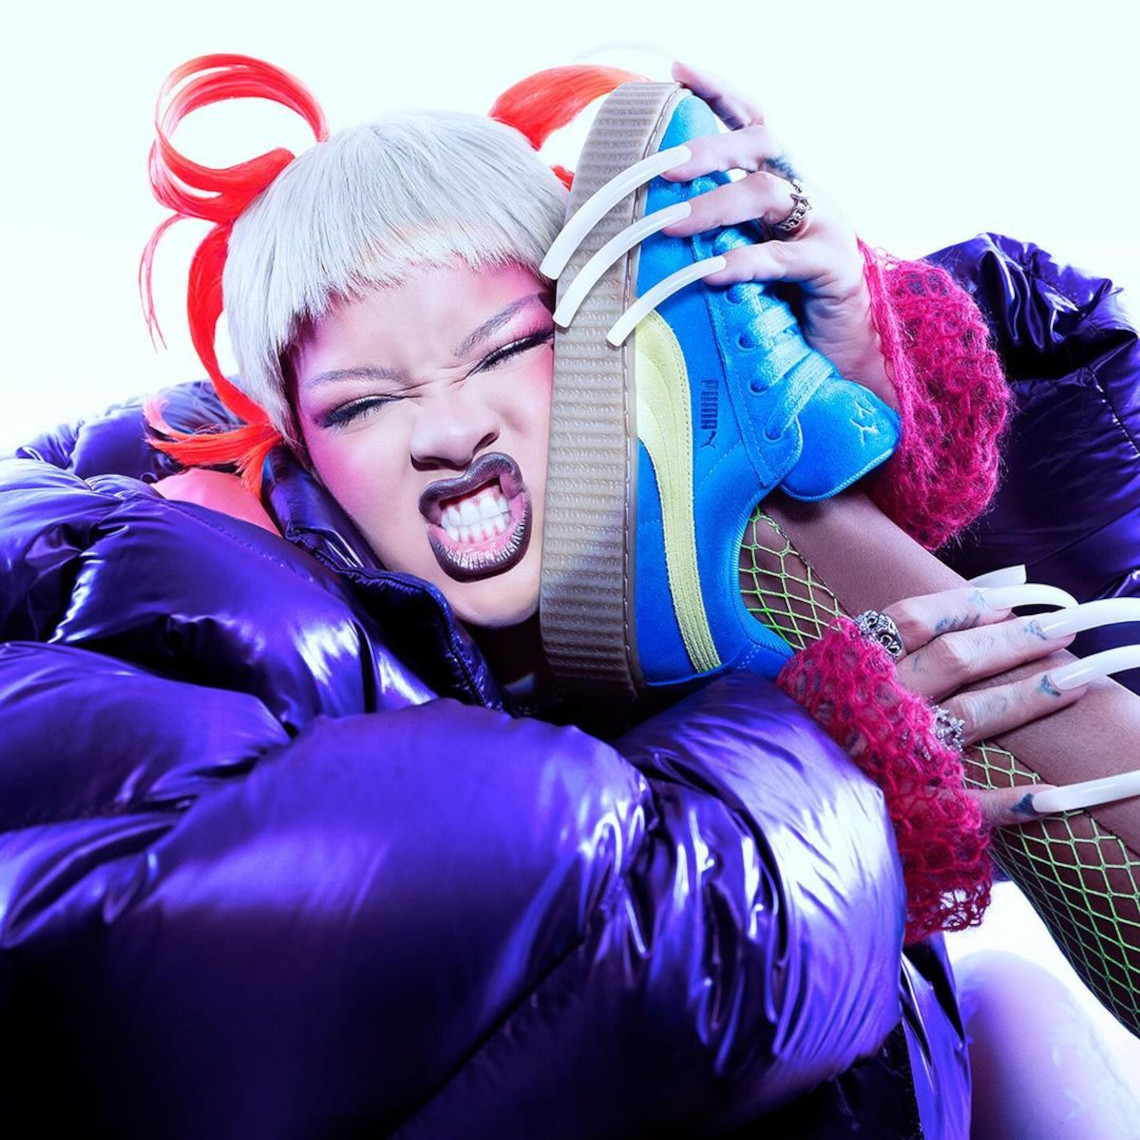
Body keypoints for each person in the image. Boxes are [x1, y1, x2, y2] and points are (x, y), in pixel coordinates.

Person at [1, 52, 1138, 1138]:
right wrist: (822, 773)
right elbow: (277, 963)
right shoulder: (158, 580)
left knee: (1011, 1011)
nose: (451, 430)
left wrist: (865, 392)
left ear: (606, 350)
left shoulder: (593, 594)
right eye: (361, 406)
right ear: (290, 439)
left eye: (507, 349)